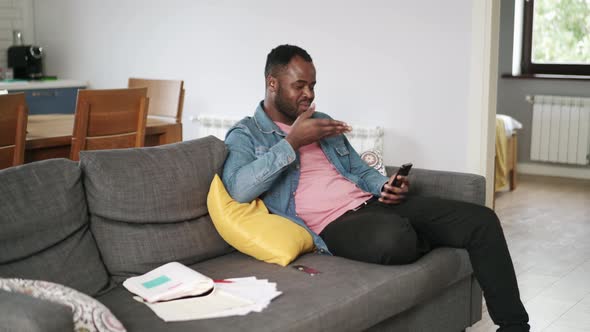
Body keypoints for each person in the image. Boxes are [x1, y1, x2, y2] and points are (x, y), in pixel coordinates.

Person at [222, 44, 530, 332]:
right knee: (394, 239)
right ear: (272, 83)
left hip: (374, 204)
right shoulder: (246, 134)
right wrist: (292, 143)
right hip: (333, 224)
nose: (309, 94)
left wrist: (384, 185)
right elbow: (239, 189)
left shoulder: (321, 121)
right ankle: (415, 231)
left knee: (481, 220)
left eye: (313, 85)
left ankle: (515, 327)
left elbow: (357, 169)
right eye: (299, 85)